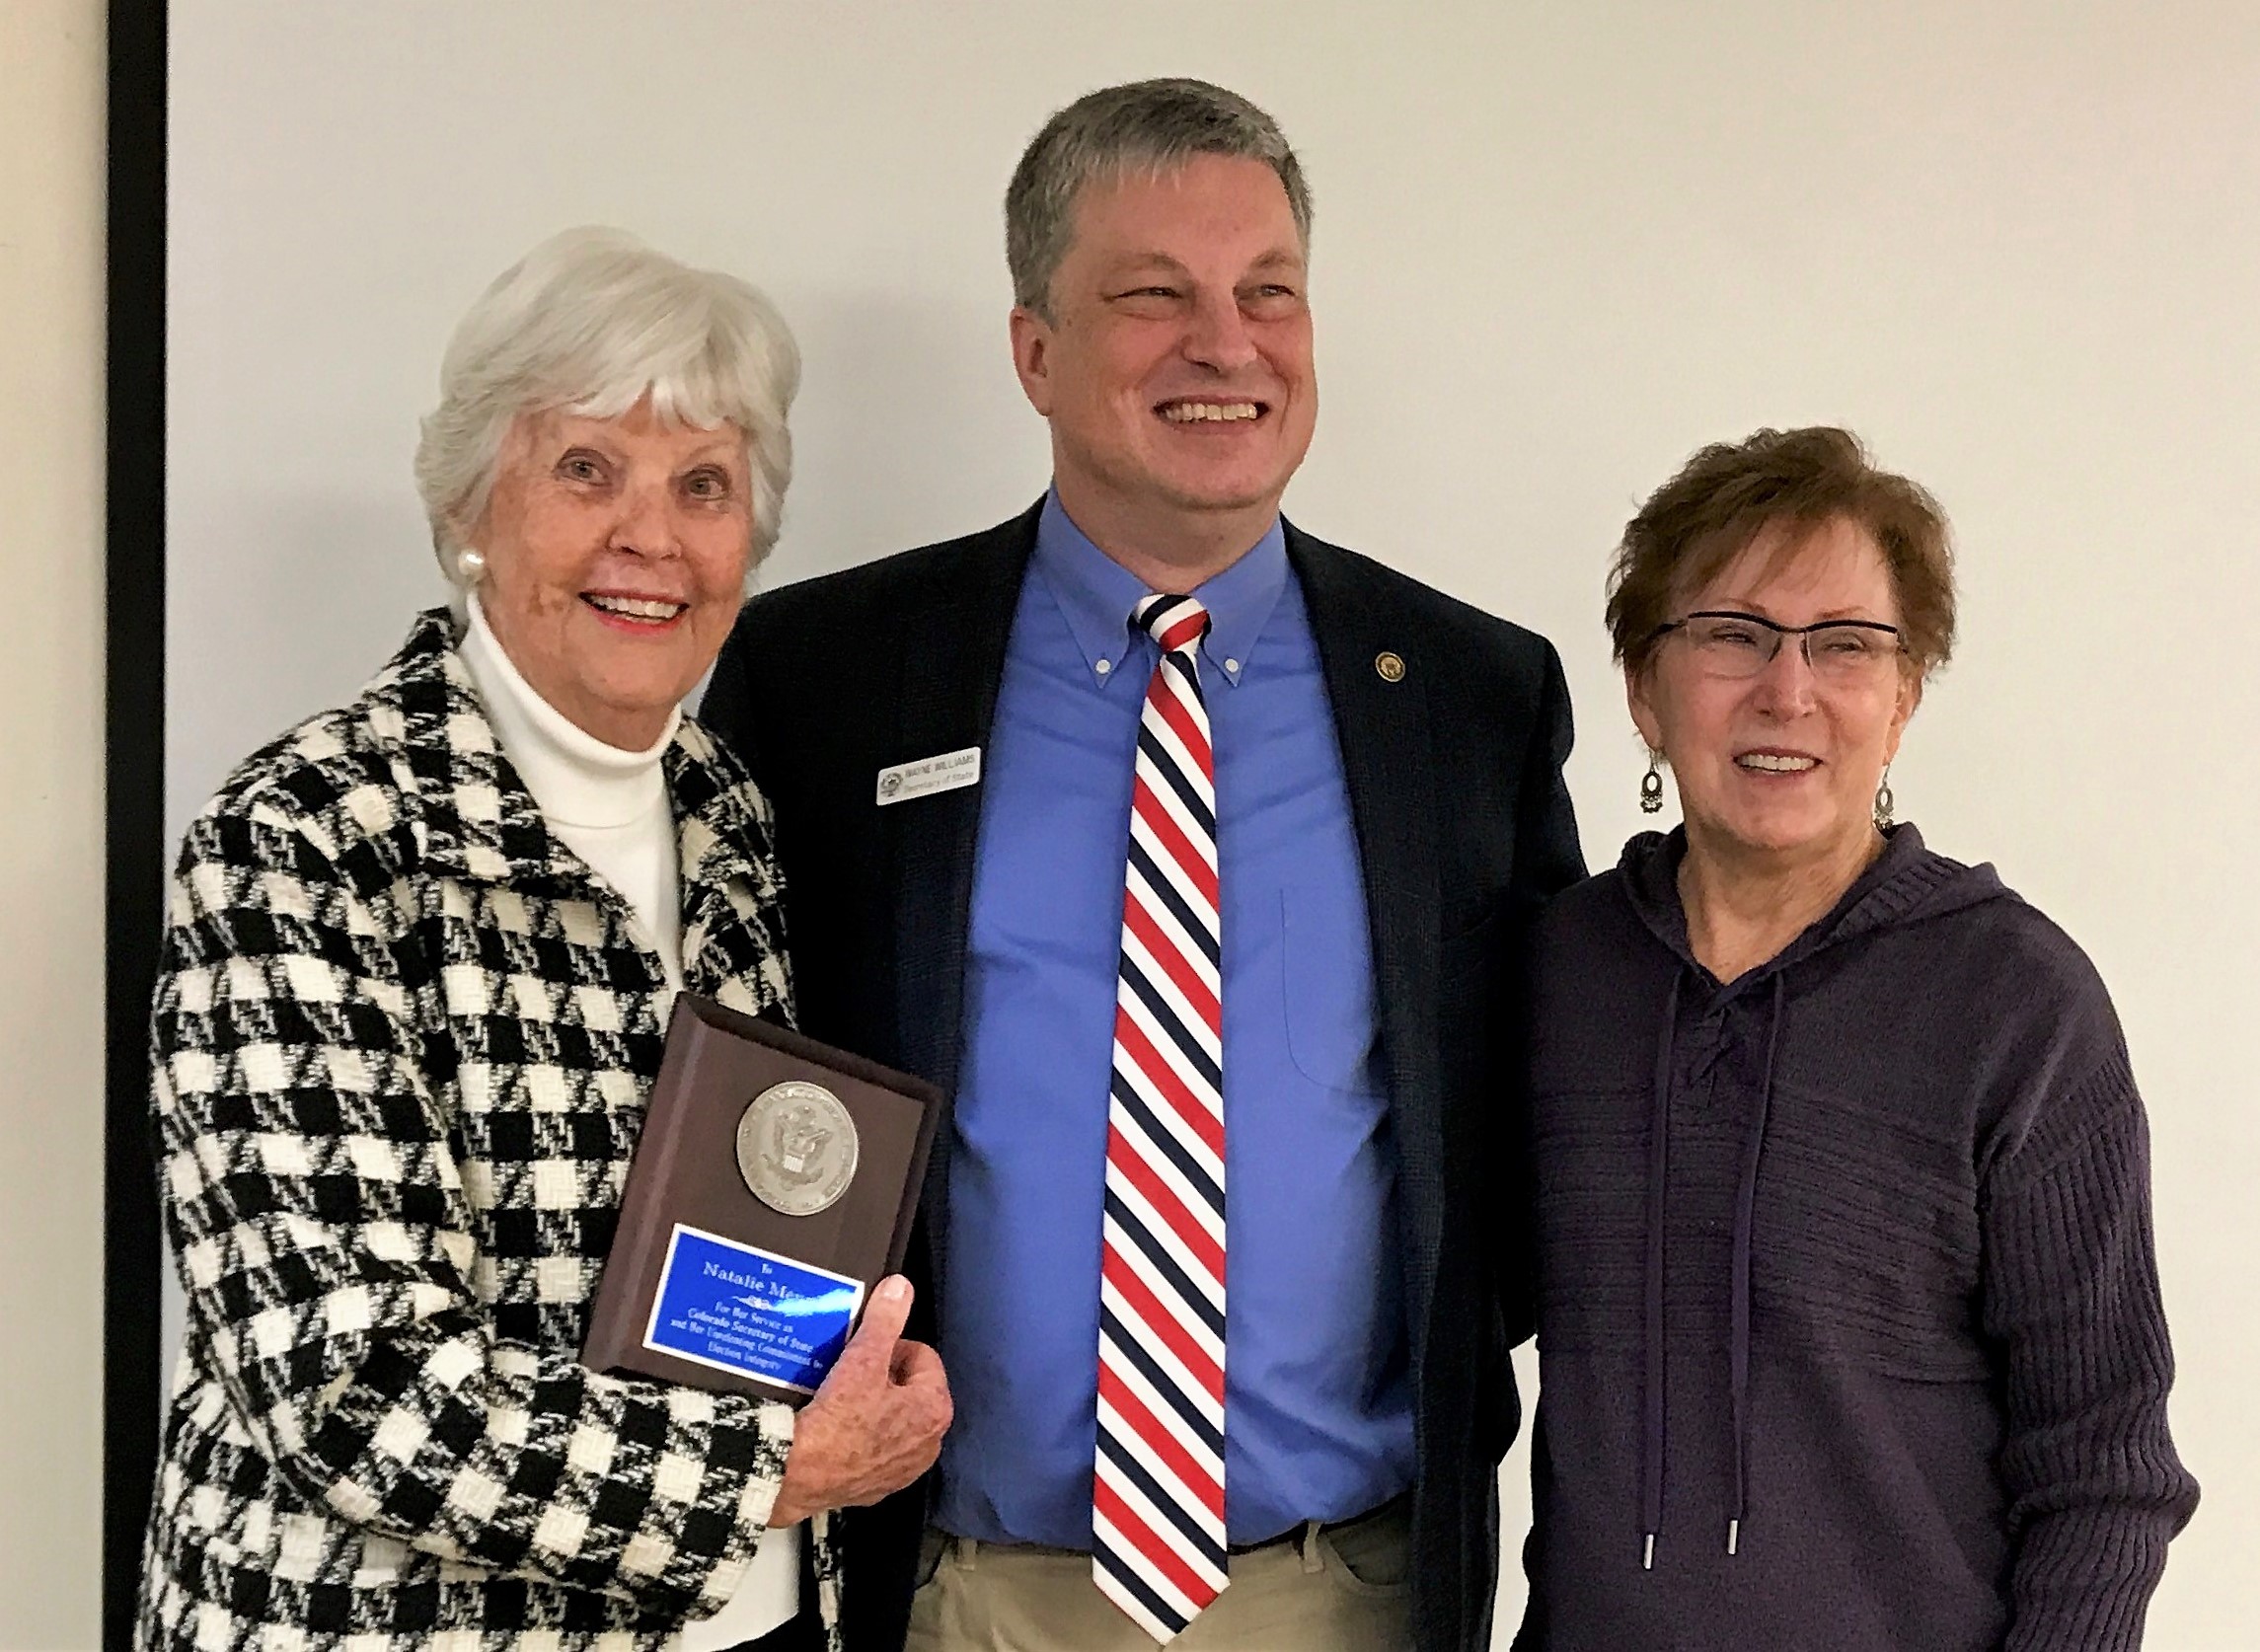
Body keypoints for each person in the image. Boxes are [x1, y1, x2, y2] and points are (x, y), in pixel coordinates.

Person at [700, 79, 1583, 1652]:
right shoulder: (827, 676)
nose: (1225, 344)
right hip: (960, 1590)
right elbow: (748, 1104)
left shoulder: (1465, 695)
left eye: (1267, 294)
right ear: (1034, 348)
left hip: (1349, 1593)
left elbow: (1534, 1123)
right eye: (1151, 296)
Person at [138, 228, 951, 1652]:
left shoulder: (728, 818)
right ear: (471, 505)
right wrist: (776, 1472)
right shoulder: (307, 834)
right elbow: (352, 1383)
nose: (650, 535)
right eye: (587, 469)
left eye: (702, 487)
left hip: (745, 1622)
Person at [1514, 426, 2199, 1649]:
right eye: (1730, 635)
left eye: (1845, 645)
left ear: (1901, 699)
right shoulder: (1557, 974)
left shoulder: (2015, 1006)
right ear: (1641, 690)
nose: (1788, 691)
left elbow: (2104, 1463)